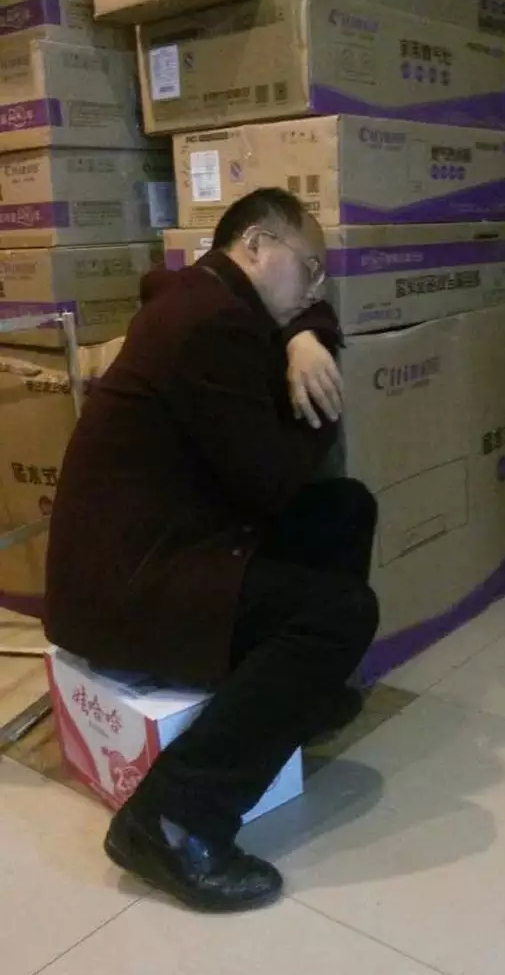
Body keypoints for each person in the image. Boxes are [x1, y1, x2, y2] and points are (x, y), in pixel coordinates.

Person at [44, 188, 379, 913]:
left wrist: (304, 337)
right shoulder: (207, 326)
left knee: (346, 510)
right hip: (130, 584)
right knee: (339, 612)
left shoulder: (206, 298)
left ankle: (296, 699)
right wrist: (323, 400)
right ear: (255, 245)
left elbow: (302, 317)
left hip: (169, 546)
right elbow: (273, 484)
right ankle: (172, 821)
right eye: (309, 269)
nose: (316, 290)